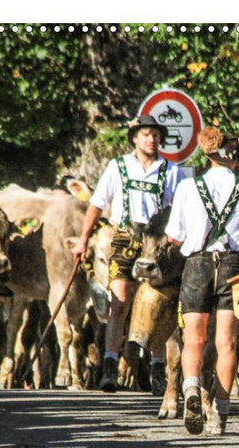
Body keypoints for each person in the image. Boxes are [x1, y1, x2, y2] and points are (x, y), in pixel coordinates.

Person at [165, 126, 239, 435]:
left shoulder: (188, 187)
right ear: (235, 157)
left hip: (198, 264)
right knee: (226, 343)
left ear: (206, 155)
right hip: (232, 265)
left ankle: (190, 394)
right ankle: (220, 413)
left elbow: (174, 236)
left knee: (194, 340)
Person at [71, 116, 186, 392]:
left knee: (157, 305)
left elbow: (180, 209)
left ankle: (158, 368)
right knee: (119, 303)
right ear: (134, 138)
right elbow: (97, 205)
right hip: (124, 237)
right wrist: (83, 239)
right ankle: (110, 366)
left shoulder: (171, 169)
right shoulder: (117, 166)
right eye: (146, 134)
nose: (152, 139)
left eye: (156, 135)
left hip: (157, 242)